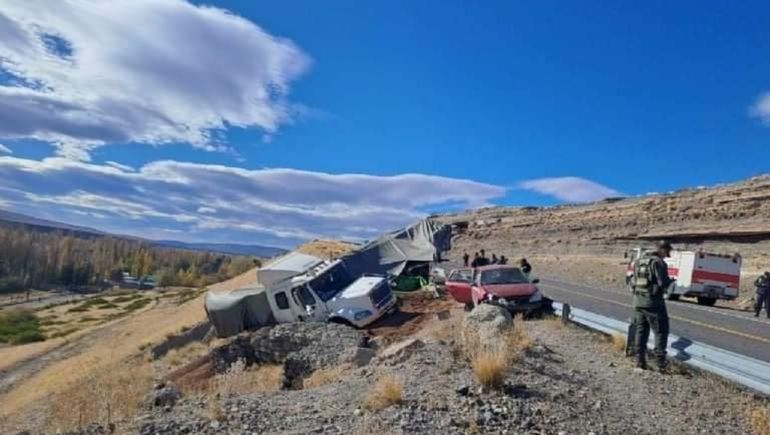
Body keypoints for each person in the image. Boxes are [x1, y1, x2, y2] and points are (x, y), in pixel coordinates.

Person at [631, 240, 674, 371]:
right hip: (654, 303)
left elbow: (633, 281)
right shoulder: (659, 263)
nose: (668, 255)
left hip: (638, 301)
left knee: (641, 330)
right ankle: (660, 364)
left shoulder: (639, 261)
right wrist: (671, 281)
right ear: (662, 250)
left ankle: (639, 361)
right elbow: (662, 283)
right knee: (661, 331)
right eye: (667, 252)